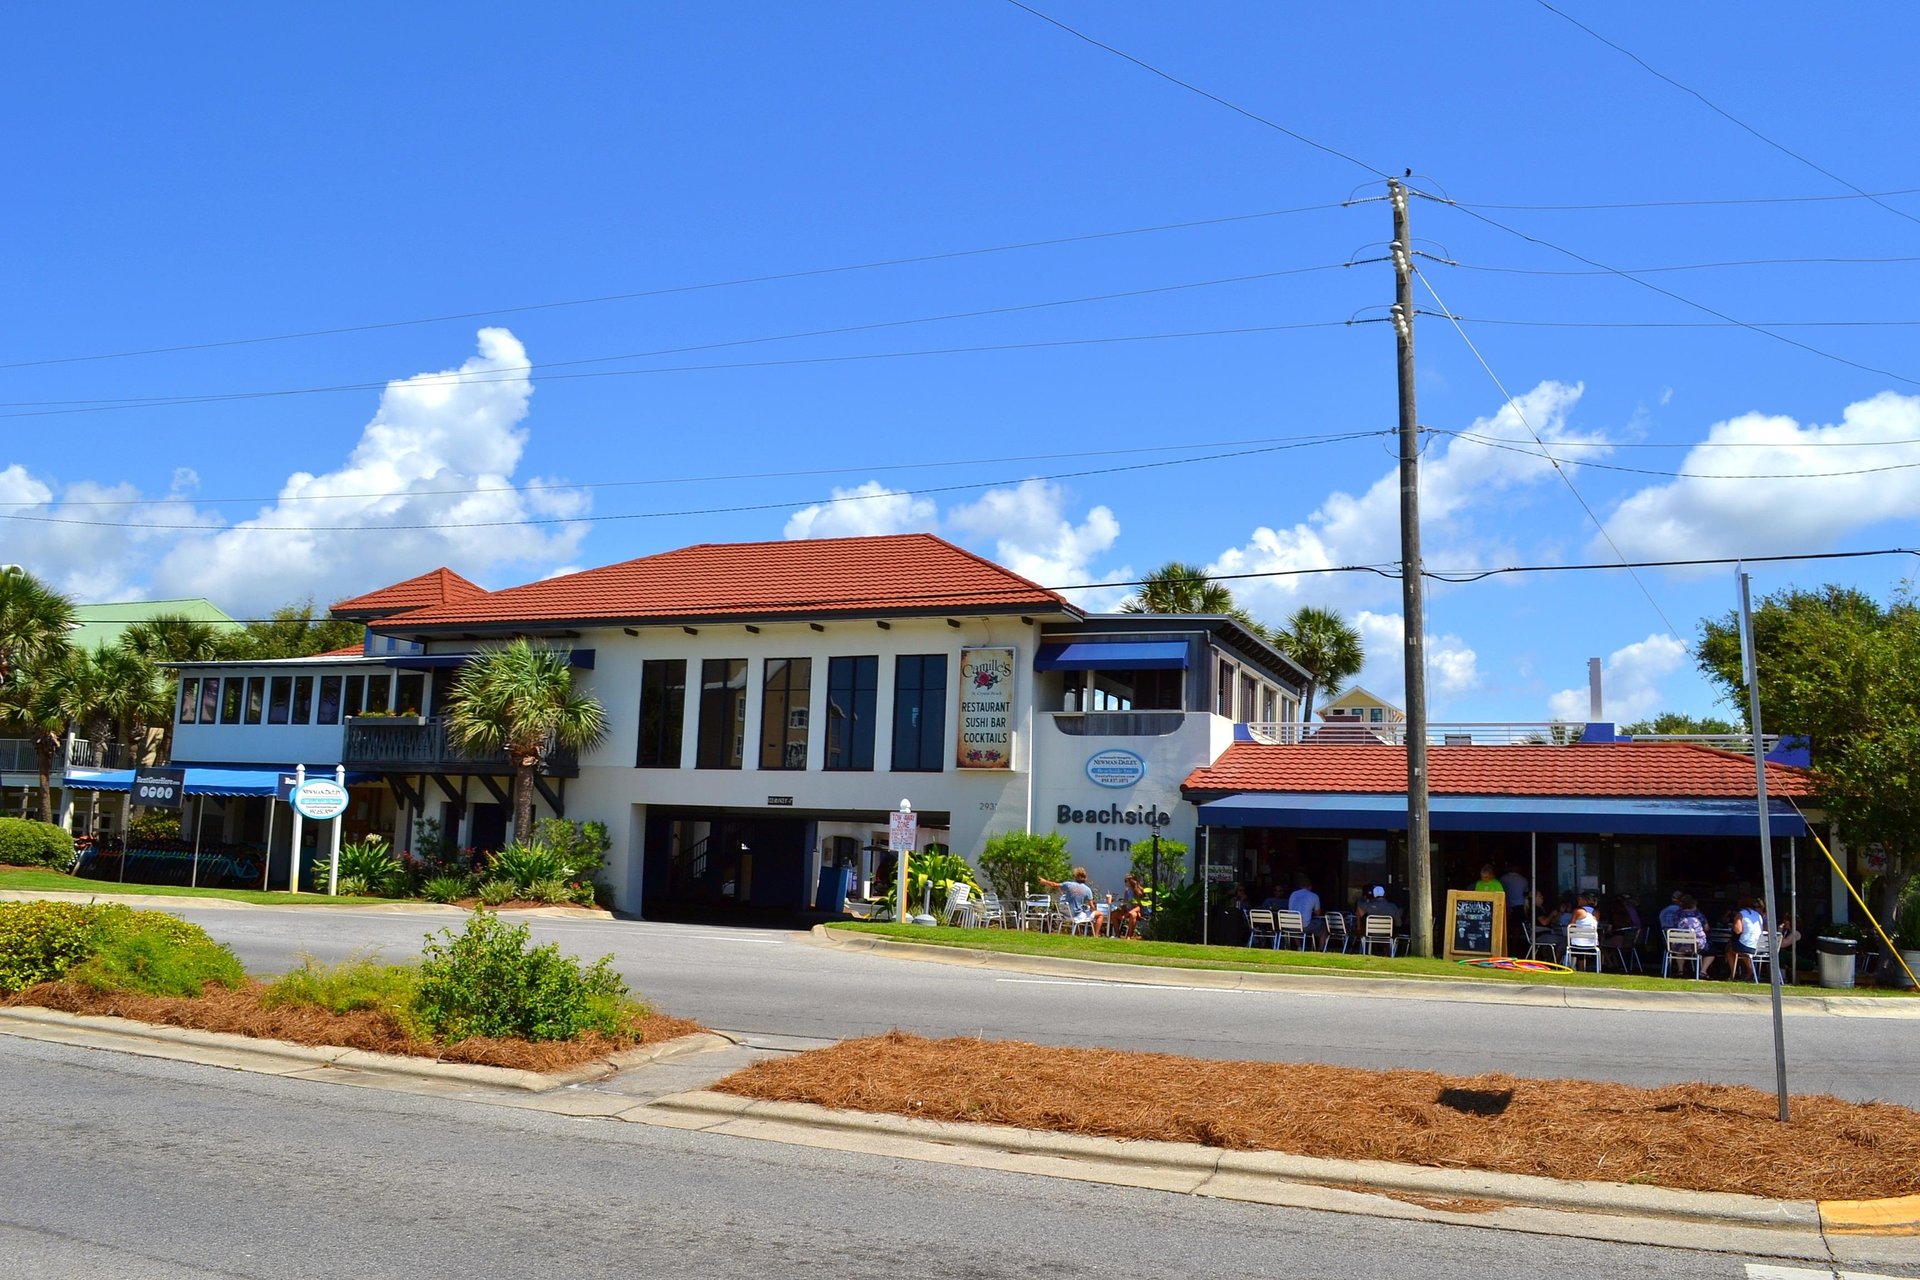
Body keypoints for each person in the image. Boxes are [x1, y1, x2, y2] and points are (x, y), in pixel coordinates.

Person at [1038, 867, 1100, 934]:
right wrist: (1093, 909)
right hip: (1077, 915)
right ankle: (1096, 936)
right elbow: (1092, 907)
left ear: (1076, 877)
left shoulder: (1068, 885)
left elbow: (1054, 885)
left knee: (1081, 913)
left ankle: (1077, 933)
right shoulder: (1087, 890)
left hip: (1065, 914)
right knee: (1100, 914)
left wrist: (1044, 881)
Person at [1727, 897, 1767, 979]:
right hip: (1759, 947)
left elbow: (1738, 930)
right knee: (1740, 948)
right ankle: (1749, 972)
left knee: (1729, 949)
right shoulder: (1758, 915)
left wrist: (1734, 923)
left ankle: (1735, 974)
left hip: (1747, 946)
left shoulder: (1741, 914)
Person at [1285, 872, 1324, 941]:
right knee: (1323, 927)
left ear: (1300, 886)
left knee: (1295, 926)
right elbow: (1318, 913)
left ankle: (1299, 946)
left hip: (1290, 924)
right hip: (1304, 926)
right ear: (1310, 886)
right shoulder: (1314, 896)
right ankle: (1321, 947)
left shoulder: (1293, 894)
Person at [1112, 873, 1150, 939]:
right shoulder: (1127, 891)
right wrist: (1122, 912)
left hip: (1138, 912)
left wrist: (1126, 915)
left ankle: (1129, 936)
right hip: (1128, 910)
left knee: (1133, 914)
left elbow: (1138, 907)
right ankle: (1117, 935)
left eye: (1126, 881)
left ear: (1131, 881)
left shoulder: (1139, 891)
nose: (1125, 883)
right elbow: (1125, 904)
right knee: (1114, 914)